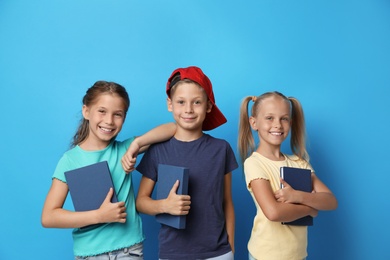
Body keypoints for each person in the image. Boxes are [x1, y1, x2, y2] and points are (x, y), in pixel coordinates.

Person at [41, 80, 176, 259]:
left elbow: (173, 128)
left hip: (129, 249)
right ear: (86, 111)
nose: (109, 121)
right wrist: (99, 215)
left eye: (117, 114)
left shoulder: (125, 149)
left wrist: (137, 143)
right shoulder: (70, 161)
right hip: (89, 253)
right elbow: (49, 217)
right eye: (102, 111)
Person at [135, 66, 238, 260]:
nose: (188, 109)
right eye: (181, 102)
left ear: (208, 106)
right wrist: (164, 206)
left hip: (218, 253)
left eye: (197, 102)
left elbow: (227, 202)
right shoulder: (158, 149)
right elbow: (141, 201)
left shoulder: (221, 149)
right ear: (170, 104)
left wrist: (231, 246)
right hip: (173, 252)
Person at [238, 91, 338, 260]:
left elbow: (331, 201)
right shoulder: (254, 163)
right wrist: (311, 209)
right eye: (269, 118)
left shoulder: (299, 162)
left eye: (284, 118)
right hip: (265, 255)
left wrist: (297, 196)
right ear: (254, 122)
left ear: (290, 123)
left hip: (298, 255)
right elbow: (274, 213)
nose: (277, 124)